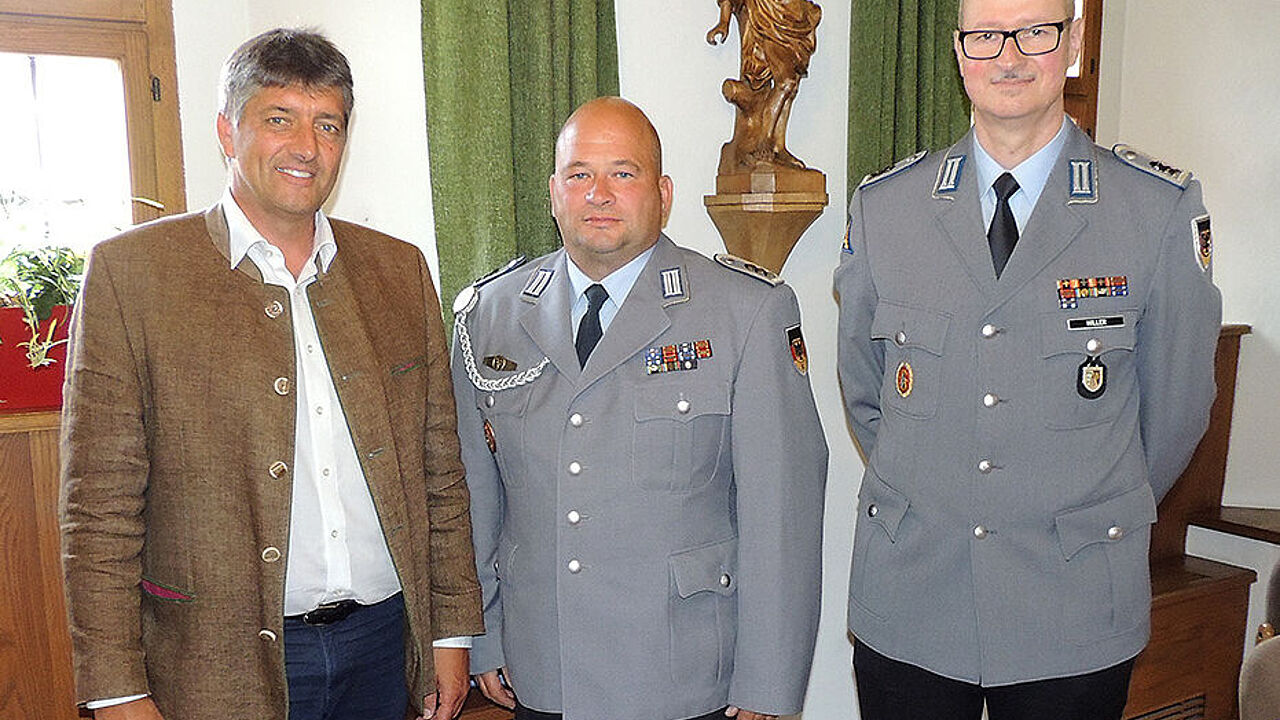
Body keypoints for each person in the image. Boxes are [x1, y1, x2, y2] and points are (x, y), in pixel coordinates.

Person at [59, 28, 482, 720]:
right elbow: (97, 508)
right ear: (228, 131)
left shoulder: (398, 272)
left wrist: (451, 631)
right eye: (278, 119)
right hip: (213, 660)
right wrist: (117, 689)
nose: (306, 147)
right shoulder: (132, 276)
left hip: (382, 646)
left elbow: (441, 473)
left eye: (327, 125)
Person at [834, 0, 1222, 717]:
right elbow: (866, 384)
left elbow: (1176, 409)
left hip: (1072, 603)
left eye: (1035, 31)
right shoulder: (885, 207)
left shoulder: (1154, 208)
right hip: (914, 593)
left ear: (1070, 43)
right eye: (985, 35)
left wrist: (1091, 509)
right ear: (958, 52)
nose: (1008, 55)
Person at [450, 97, 827, 720]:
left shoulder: (746, 312)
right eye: (579, 175)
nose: (599, 193)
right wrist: (482, 634)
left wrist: (767, 682)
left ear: (664, 192)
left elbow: (781, 513)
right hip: (543, 670)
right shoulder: (488, 315)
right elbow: (473, 497)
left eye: (623, 173)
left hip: (681, 673)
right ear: (553, 193)